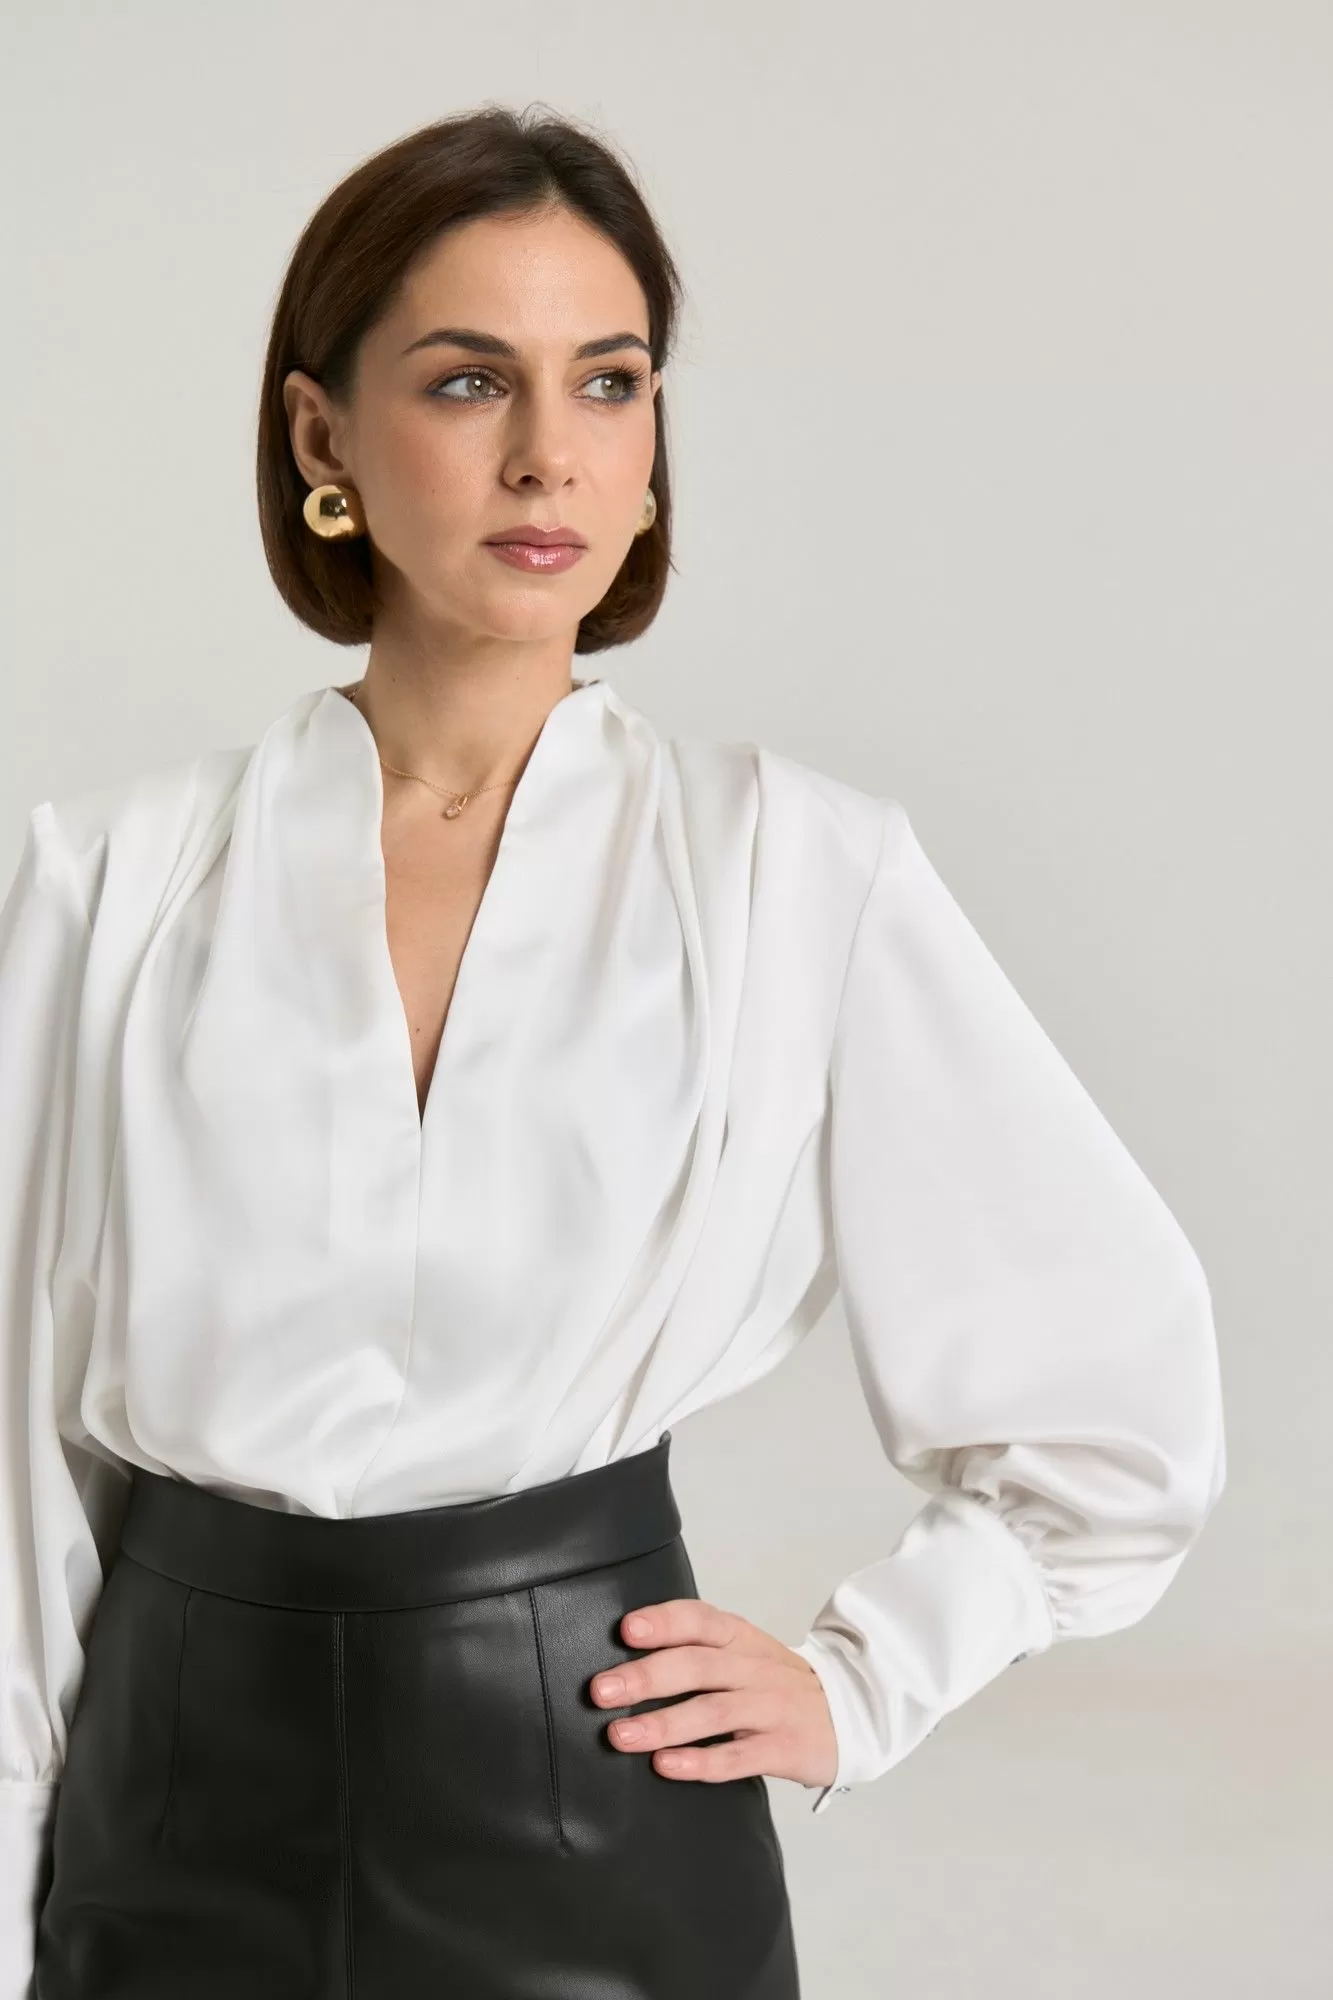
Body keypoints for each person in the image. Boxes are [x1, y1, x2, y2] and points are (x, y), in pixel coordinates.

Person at [1, 106, 1226, 1999]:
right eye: (467, 380)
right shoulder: (107, 884)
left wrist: (864, 1679)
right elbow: (12, 1482)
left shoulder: (790, 870)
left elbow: (1112, 1407)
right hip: (161, 1824)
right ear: (322, 439)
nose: (549, 452)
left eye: (609, 380)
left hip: (596, 1821)